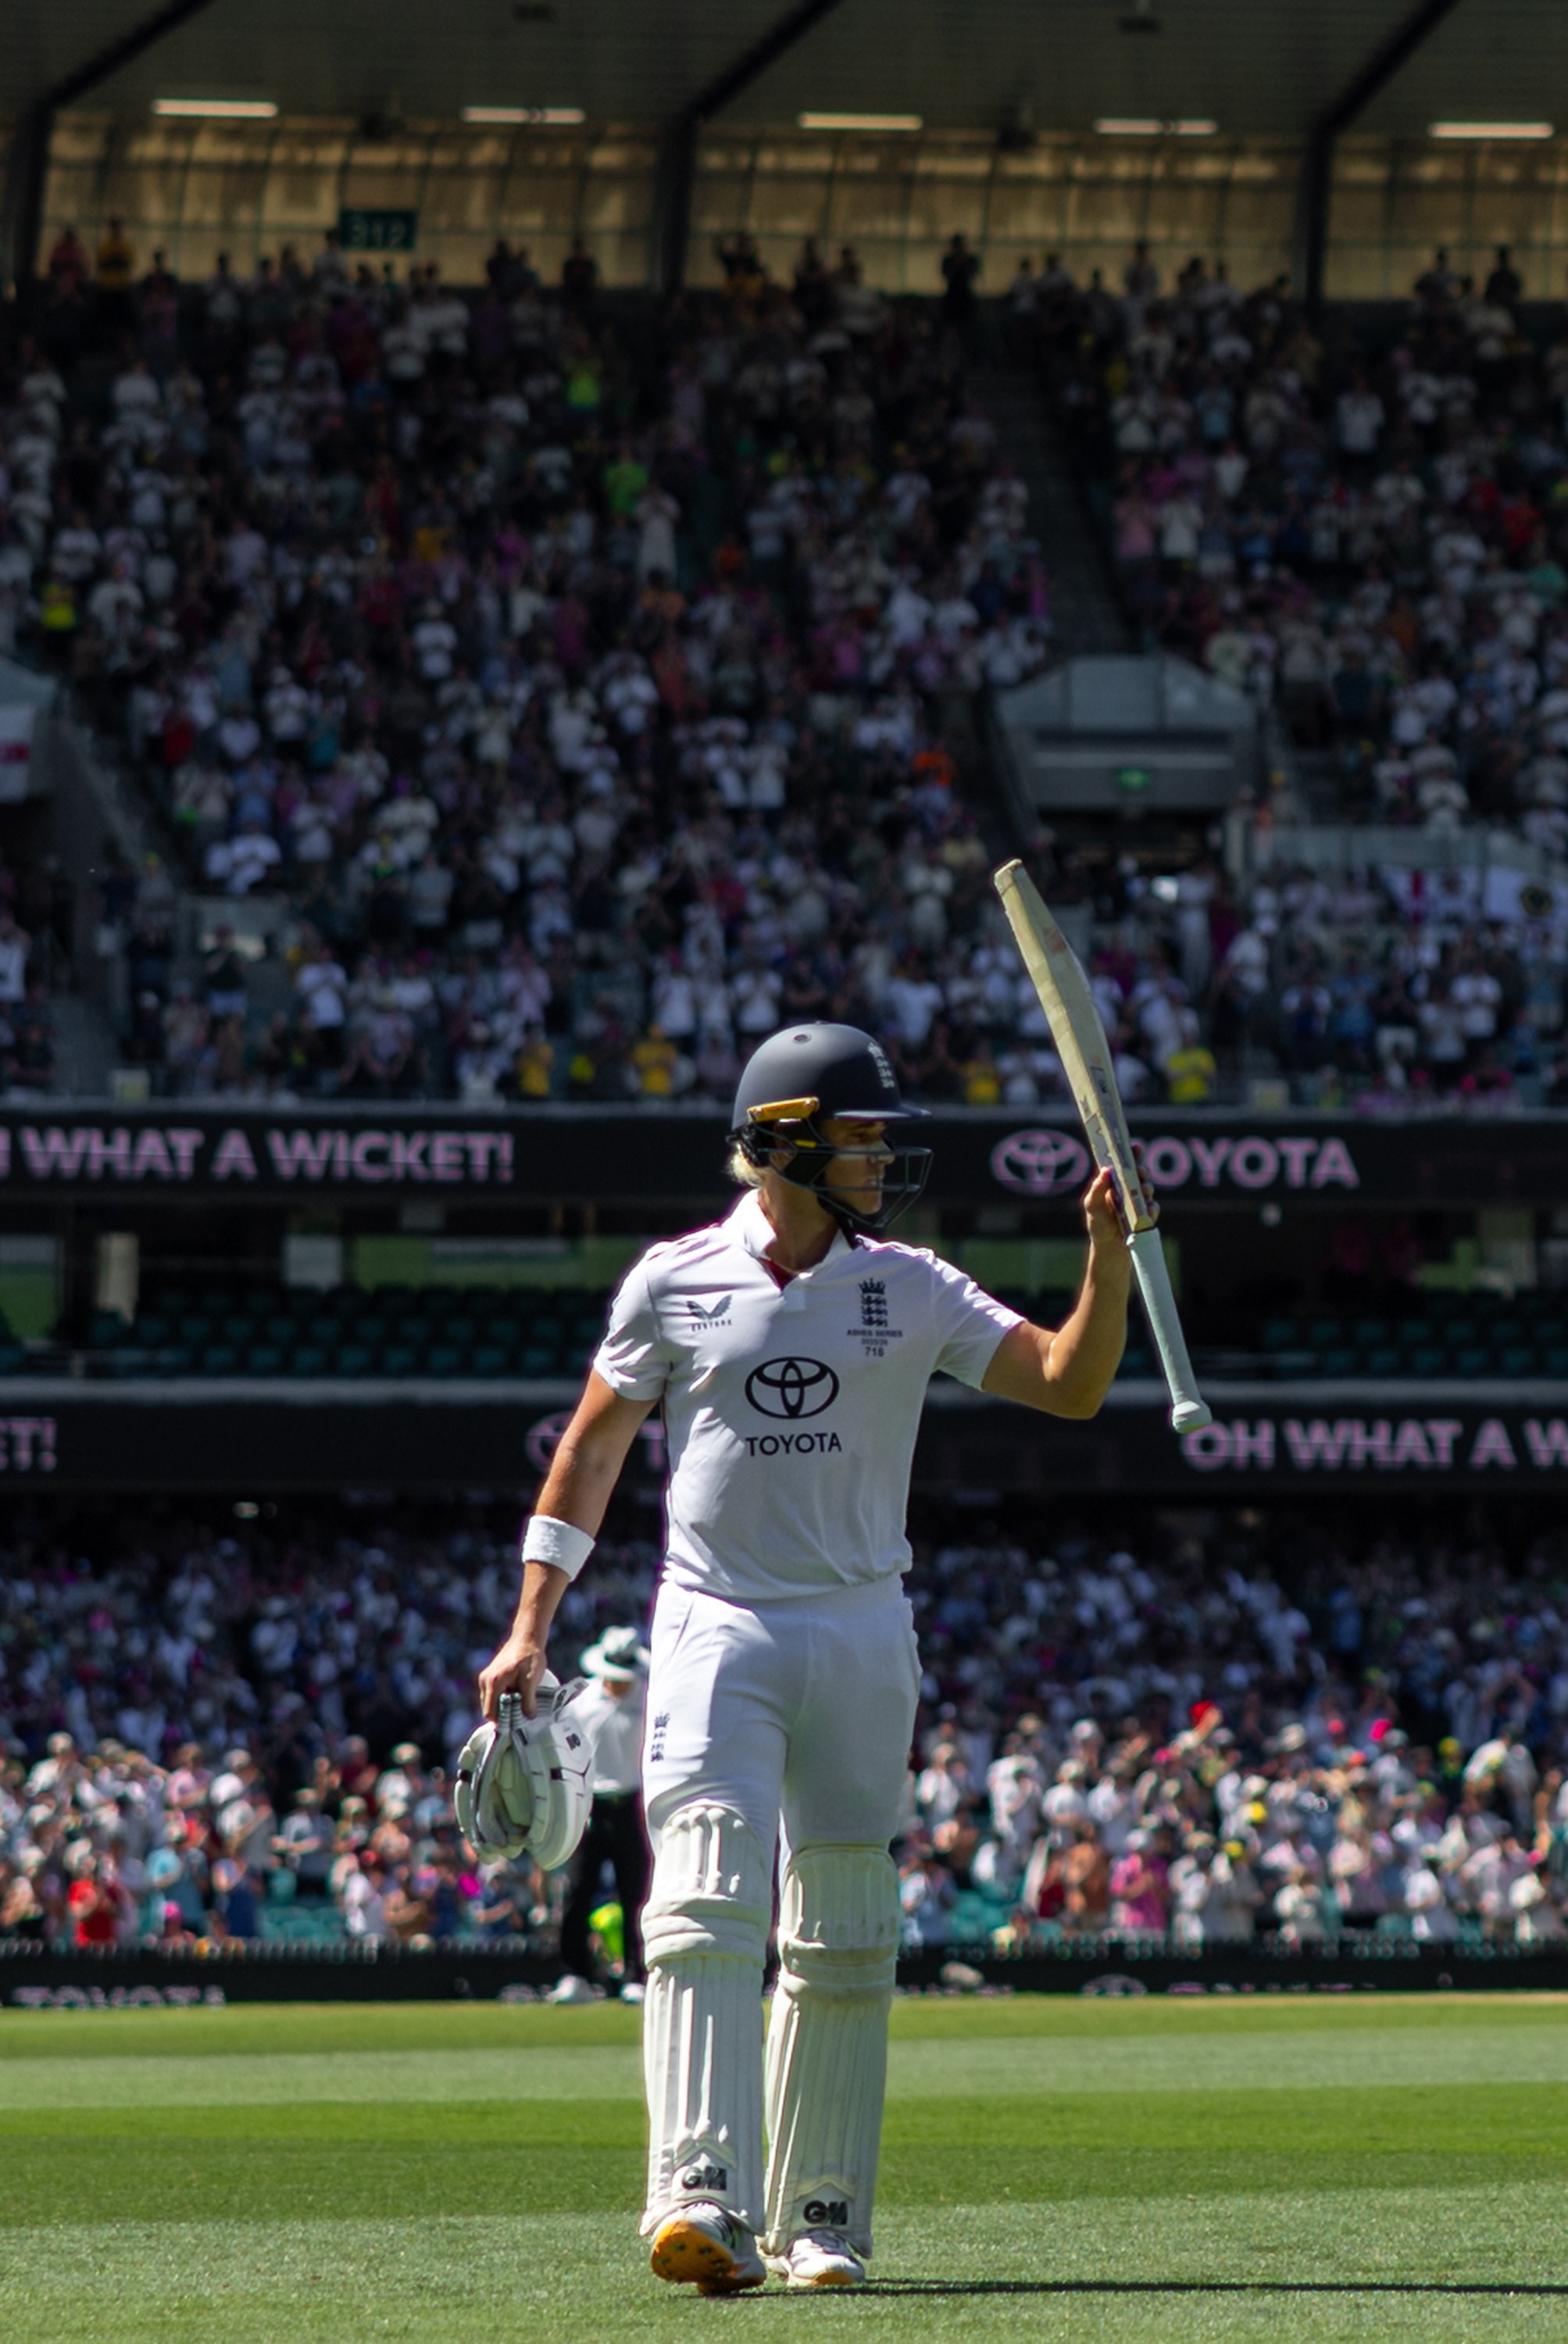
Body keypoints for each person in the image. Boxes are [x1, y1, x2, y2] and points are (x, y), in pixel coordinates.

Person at [478, 1020, 1150, 2295]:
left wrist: (1102, 1261)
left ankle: (823, 2218)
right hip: (713, 1622)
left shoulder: (915, 1284)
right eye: (858, 1137)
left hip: (858, 1623)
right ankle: (697, 2196)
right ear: (782, 1143)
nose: (881, 1160)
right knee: (701, 1902)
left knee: (844, 1927)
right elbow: (592, 1448)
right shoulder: (672, 1280)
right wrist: (530, 1625)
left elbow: (1067, 1384)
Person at [552, 1625, 652, 2004]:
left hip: (632, 1805)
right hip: (589, 1802)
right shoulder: (581, 1704)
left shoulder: (647, 1701)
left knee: (636, 1893)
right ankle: (576, 1973)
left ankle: (635, 1974)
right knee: (579, 1890)